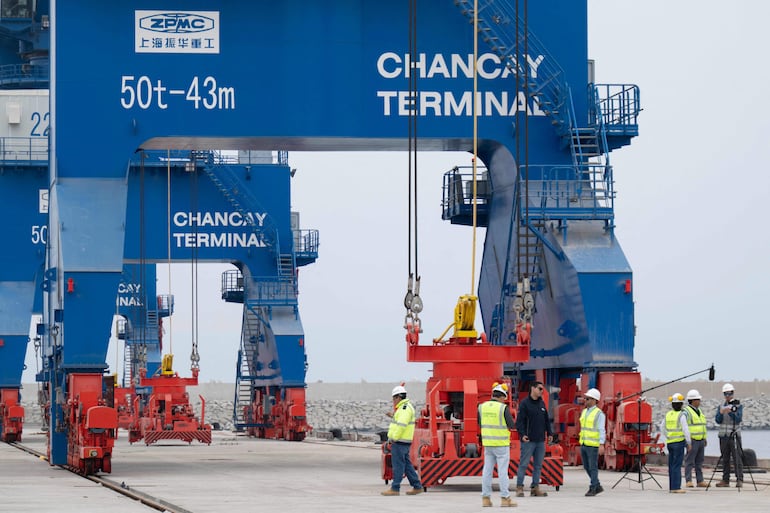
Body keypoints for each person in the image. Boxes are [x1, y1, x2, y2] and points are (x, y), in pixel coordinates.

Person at [478, 382, 517, 508]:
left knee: (487, 471)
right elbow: (511, 425)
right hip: (501, 444)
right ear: (502, 397)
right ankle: (505, 498)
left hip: (487, 444)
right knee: (502, 472)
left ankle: (486, 498)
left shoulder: (481, 407)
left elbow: (480, 423)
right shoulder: (503, 408)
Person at [381, 384, 423, 496]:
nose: (393, 401)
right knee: (407, 466)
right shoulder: (405, 408)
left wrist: (392, 439)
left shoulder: (404, 408)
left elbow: (401, 425)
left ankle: (395, 488)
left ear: (398, 397)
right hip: (403, 441)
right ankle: (417, 486)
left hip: (400, 441)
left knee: (398, 465)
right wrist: (393, 415)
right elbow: (400, 420)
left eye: (393, 399)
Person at [515, 380, 552, 497]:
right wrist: (522, 435)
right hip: (528, 441)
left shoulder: (542, 404)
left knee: (538, 465)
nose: (542, 391)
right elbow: (519, 422)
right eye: (540, 389)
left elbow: (546, 420)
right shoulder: (525, 404)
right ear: (533, 388)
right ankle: (519, 488)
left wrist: (550, 433)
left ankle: (535, 488)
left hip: (540, 440)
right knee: (524, 464)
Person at [659, 393, 691, 493]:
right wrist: (689, 442)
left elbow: (662, 427)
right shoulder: (681, 415)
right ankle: (676, 487)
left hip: (670, 443)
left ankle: (672, 487)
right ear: (681, 404)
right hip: (679, 443)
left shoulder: (668, 414)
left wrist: (668, 435)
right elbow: (685, 429)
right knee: (677, 465)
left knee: (671, 465)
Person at [715, 382, 744, 487]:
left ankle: (739, 479)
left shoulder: (738, 406)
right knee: (725, 458)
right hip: (723, 436)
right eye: (726, 394)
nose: (728, 396)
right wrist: (721, 413)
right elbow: (717, 420)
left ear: (733, 393)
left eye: (729, 393)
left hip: (735, 435)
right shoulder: (721, 406)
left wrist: (731, 411)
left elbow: (738, 419)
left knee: (737, 458)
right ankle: (725, 480)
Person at [579, 388, 606, 497]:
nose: (586, 400)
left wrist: (601, 444)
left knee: (593, 467)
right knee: (586, 466)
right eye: (586, 398)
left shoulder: (599, 414)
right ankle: (597, 484)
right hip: (584, 443)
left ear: (595, 400)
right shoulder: (585, 411)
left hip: (593, 445)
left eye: (589, 399)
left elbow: (601, 429)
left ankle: (593, 487)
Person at [683, 389, 708, 488]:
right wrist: (688, 441)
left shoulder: (699, 411)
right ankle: (688, 480)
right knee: (689, 461)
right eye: (698, 399)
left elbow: (702, 426)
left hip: (701, 440)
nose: (700, 401)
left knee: (699, 461)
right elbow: (685, 427)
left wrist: (705, 438)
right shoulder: (686, 412)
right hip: (692, 441)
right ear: (693, 401)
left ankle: (700, 480)